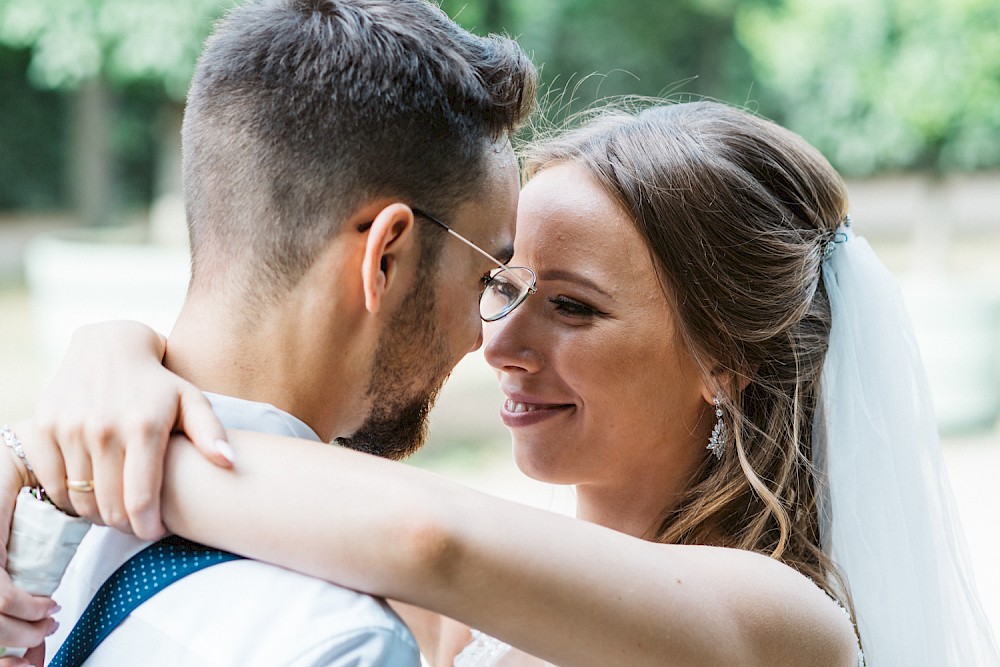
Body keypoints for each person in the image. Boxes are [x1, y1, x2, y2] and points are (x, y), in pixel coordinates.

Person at [6, 101, 999, 665]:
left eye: (570, 307)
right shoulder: (459, 607)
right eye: (503, 285)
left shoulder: (789, 623)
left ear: (720, 359)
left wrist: (73, 449)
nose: (501, 345)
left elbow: (426, 538)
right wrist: (113, 355)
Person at [0, 0, 537, 664]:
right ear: (386, 257)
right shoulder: (337, 639)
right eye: (487, 275)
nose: (481, 340)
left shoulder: (28, 534)